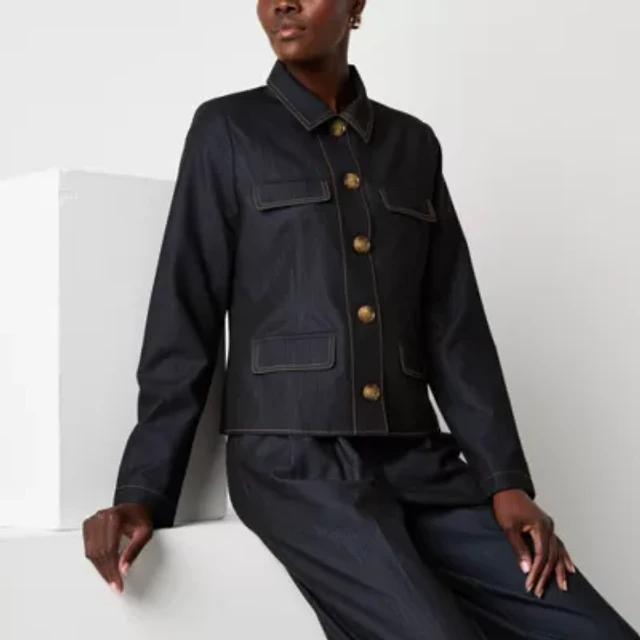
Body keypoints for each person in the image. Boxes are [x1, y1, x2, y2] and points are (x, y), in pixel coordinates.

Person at [82, 1, 639, 638]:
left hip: (419, 460)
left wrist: (504, 480)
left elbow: (453, 326)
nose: (282, 3)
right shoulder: (227, 130)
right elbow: (185, 313)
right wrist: (142, 491)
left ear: (356, 5)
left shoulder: (413, 145)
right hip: (294, 465)